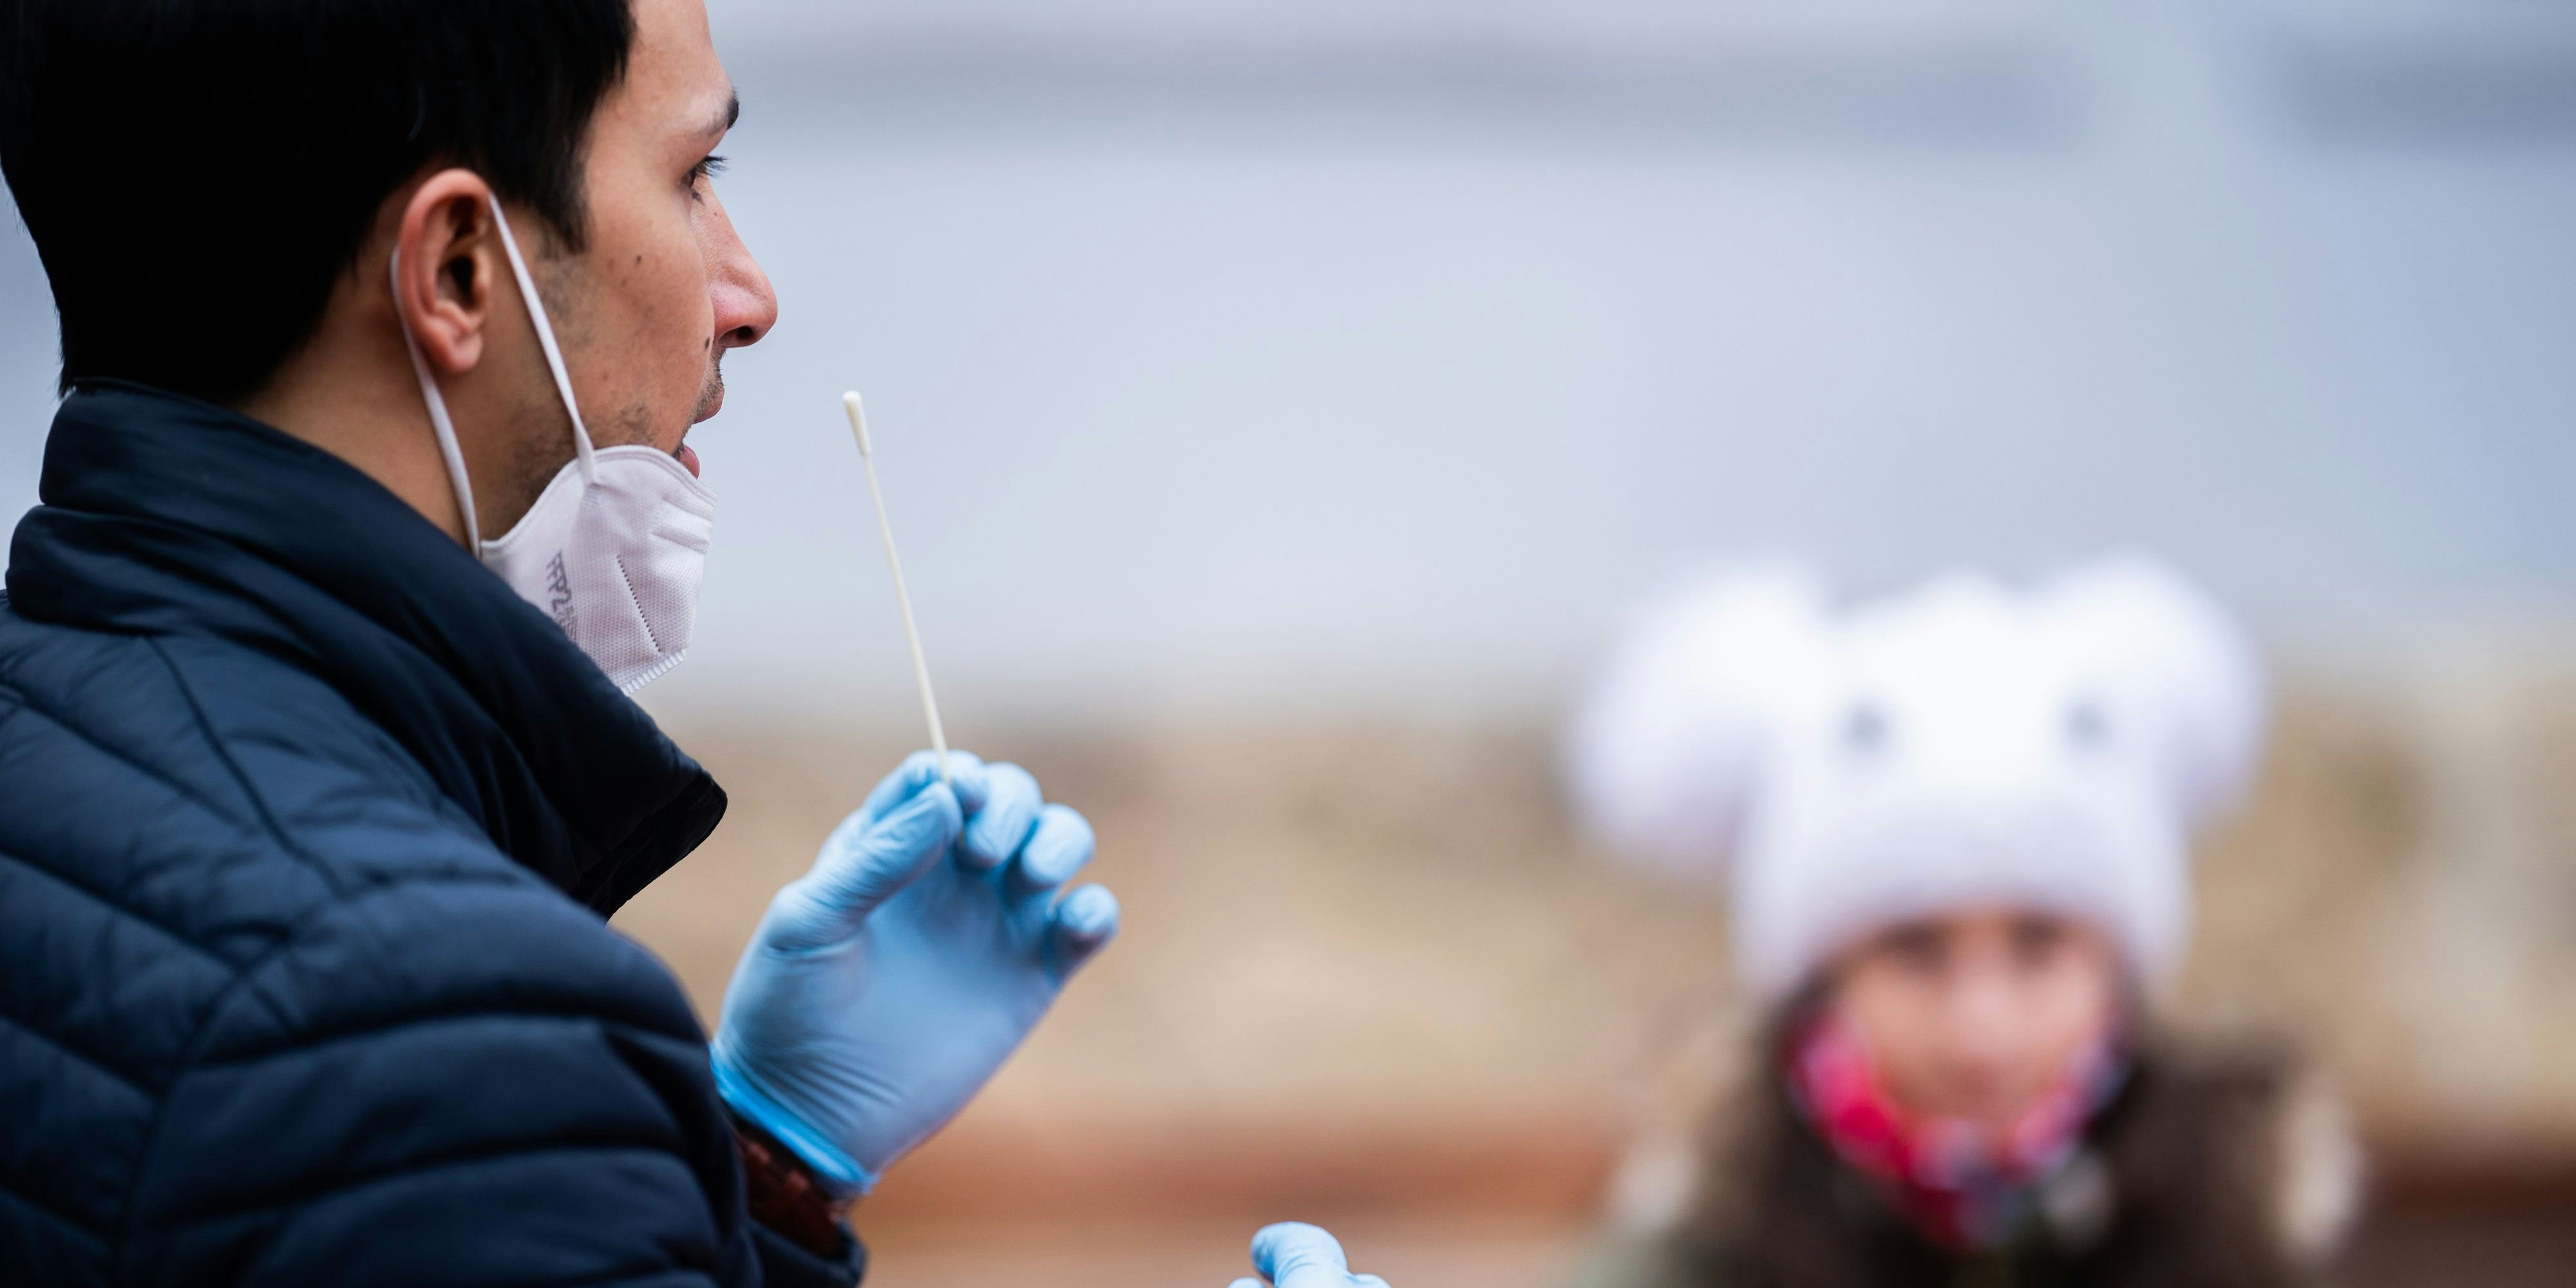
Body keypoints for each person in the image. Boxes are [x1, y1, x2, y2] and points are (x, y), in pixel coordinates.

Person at [0, 5, 1387, 1287]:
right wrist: (559, 1126)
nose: (748, 292)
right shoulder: (438, 1027)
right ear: (459, 270)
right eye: (693, 173)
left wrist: (755, 1169)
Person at [1562, 558, 2361, 1288]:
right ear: (1825, 970)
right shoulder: (1702, 1240)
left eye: (2037, 944)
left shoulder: (2239, 1231)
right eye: (1915, 949)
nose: (1982, 1025)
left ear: (2115, 958)